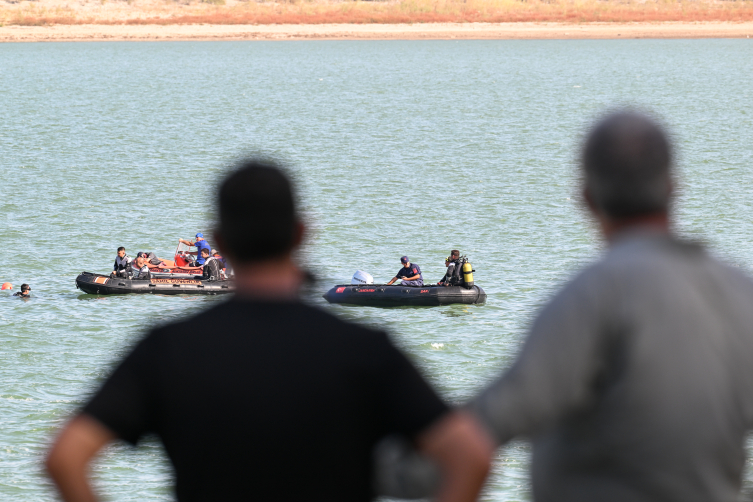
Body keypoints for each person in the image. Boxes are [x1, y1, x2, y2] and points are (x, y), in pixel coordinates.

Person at [46, 158, 493, 502]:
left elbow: (64, 458)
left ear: (218, 241)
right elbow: (470, 456)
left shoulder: (166, 349)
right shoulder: (366, 350)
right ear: (301, 233)